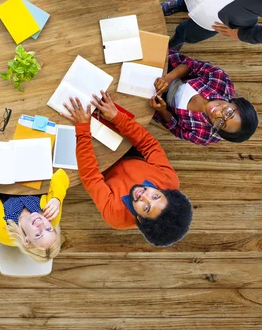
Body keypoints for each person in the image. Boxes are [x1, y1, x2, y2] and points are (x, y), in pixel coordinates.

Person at [63, 93, 192, 247]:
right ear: (165, 192)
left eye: (146, 207)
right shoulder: (169, 181)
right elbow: (148, 145)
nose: (144, 195)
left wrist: (83, 129)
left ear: (140, 219)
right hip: (127, 150)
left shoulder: (115, 217)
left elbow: (91, 176)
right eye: (156, 196)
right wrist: (117, 117)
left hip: (98, 166)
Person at [0, 136, 69, 263]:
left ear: (26, 240)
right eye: (48, 229)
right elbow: (60, 175)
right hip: (29, 167)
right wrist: (57, 198)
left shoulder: (3, 229)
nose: (41, 224)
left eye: (38, 234)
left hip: (0, 175)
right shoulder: (51, 217)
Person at [149, 49, 258, 145]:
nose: (217, 114)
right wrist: (168, 78)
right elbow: (190, 65)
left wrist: (162, 110)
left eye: (221, 124)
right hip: (170, 70)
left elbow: (174, 127)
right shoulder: (221, 80)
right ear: (235, 103)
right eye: (229, 112)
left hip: (154, 102)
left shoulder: (204, 136)